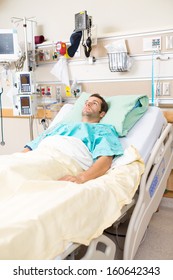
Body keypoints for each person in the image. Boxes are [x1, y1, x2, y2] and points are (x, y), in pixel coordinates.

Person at [22, 94, 123, 183]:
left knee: (23, 174)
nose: (88, 104)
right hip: (40, 154)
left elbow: (106, 159)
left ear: (102, 114)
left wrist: (82, 177)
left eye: (94, 103)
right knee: (10, 166)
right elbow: (33, 145)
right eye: (87, 102)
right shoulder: (61, 125)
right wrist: (17, 158)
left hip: (64, 161)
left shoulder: (103, 130)